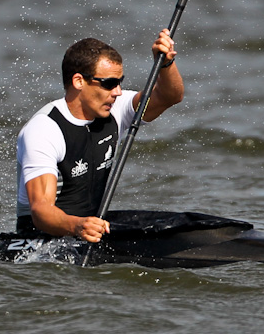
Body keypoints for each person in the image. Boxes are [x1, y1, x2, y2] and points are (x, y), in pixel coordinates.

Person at [16, 29, 184, 242]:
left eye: (120, 82)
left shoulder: (115, 109)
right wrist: (77, 226)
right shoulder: (44, 129)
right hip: (40, 238)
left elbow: (169, 97)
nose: (118, 92)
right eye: (109, 83)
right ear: (79, 81)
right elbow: (41, 211)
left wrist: (166, 64)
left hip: (89, 230)